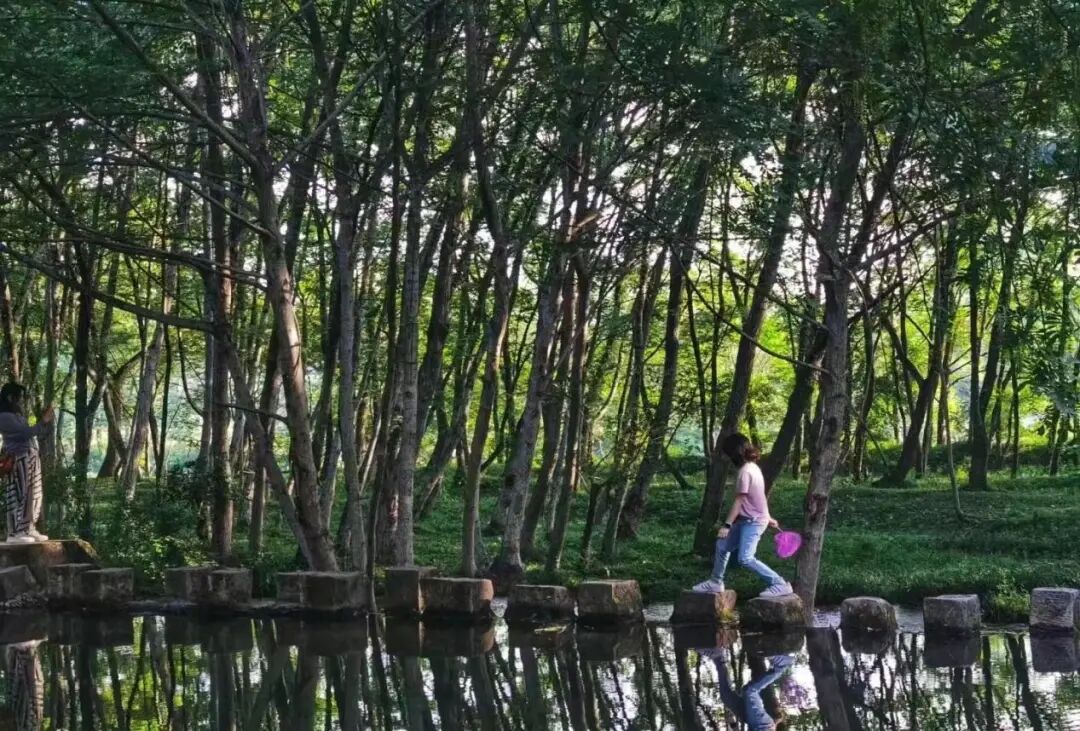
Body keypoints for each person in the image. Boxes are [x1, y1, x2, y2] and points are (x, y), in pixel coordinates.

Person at [694, 432, 792, 597]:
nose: (726, 457)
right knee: (722, 545)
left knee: (745, 558)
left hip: (754, 522)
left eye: (727, 453)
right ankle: (715, 582)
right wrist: (768, 516)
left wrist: (727, 525)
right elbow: (759, 496)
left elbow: (739, 501)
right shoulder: (753, 468)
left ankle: (780, 583)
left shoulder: (745, 472)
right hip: (749, 519)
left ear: (733, 453)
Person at [0, 384, 52, 544]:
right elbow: (24, 433)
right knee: (19, 494)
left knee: (34, 494)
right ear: (11, 398)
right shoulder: (4, 416)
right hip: (18, 459)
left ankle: (29, 527)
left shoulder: (18, 416)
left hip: (31, 457)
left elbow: (35, 433)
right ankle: (15, 532)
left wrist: (45, 423)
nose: (22, 401)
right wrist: (42, 421)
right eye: (20, 397)